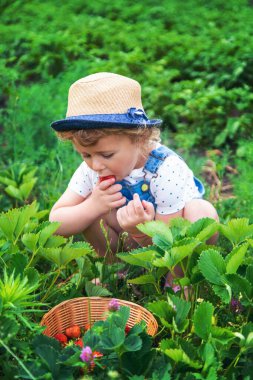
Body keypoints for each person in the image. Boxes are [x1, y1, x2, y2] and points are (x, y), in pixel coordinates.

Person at [49, 72, 218, 259]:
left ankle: (177, 284)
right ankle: (115, 271)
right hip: (127, 244)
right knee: (85, 210)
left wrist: (139, 231)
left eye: (107, 155)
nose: (95, 165)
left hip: (168, 245)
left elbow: (171, 244)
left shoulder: (165, 170)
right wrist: (92, 206)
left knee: (202, 212)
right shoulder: (90, 170)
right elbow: (55, 224)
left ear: (140, 138)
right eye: (85, 155)